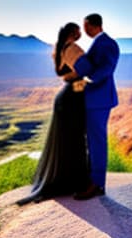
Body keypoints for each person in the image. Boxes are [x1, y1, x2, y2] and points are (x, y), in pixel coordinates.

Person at [16, 22, 90, 205]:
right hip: (73, 95)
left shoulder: (58, 48)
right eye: (79, 31)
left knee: (68, 139)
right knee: (76, 138)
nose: (81, 33)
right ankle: (77, 182)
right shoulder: (72, 48)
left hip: (67, 94)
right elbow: (85, 69)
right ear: (73, 32)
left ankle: (68, 180)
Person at [65, 13, 120, 200]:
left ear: (90, 25)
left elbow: (106, 69)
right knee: (92, 141)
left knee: (97, 141)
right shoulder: (99, 43)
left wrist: (87, 79)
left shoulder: (108, 43)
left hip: (100, 100)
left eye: (85, 26)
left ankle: (97, 185)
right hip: (93, 100)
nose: (84, 30)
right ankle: (91, 180)